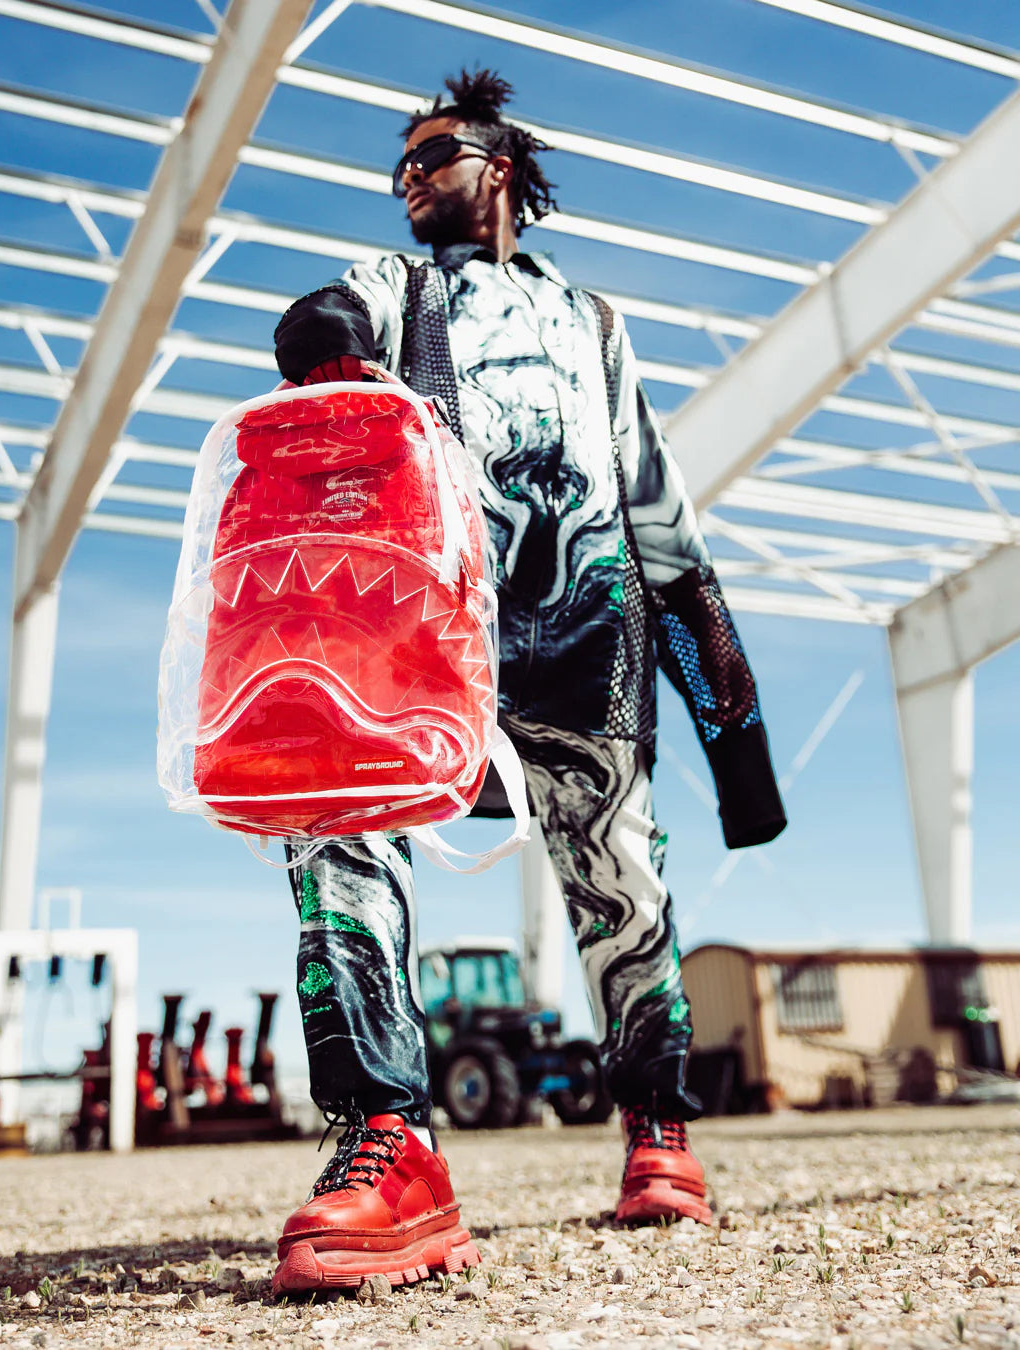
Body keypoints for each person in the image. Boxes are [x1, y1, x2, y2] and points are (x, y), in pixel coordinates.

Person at [269, 70, 786, 1295]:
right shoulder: (401, 289)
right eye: (398, 164)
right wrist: (326, 341)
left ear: (500, 166)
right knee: (335, 820)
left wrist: (738, 745)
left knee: (621, 879)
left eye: (433, 153)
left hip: (588, 635)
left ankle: (658, 1132)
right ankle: (387, 1139)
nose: (408, 176)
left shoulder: (597, 324)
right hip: (423, 626)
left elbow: (663, 521)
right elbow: (329, 312)